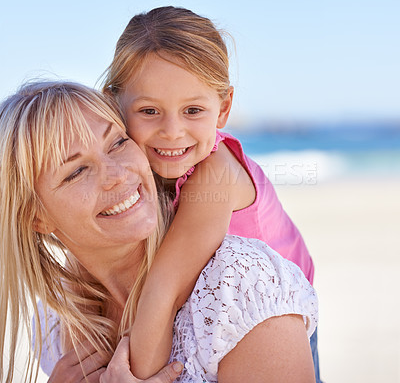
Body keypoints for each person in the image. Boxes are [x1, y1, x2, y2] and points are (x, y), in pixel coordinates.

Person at [0, 81, 317, 383]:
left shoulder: (239, 285)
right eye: (77, 171)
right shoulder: (55, 327)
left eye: (118, 142)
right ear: (36, 217)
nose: (118, 174)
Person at [102, 6, 321, 381]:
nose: (172, 132)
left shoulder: (215, 172)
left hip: (274, 326)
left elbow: (164, 287)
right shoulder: (132, 168)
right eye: (150, 110)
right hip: (204, 323)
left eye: (193, 110)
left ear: (223, 110)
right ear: (113, 104)